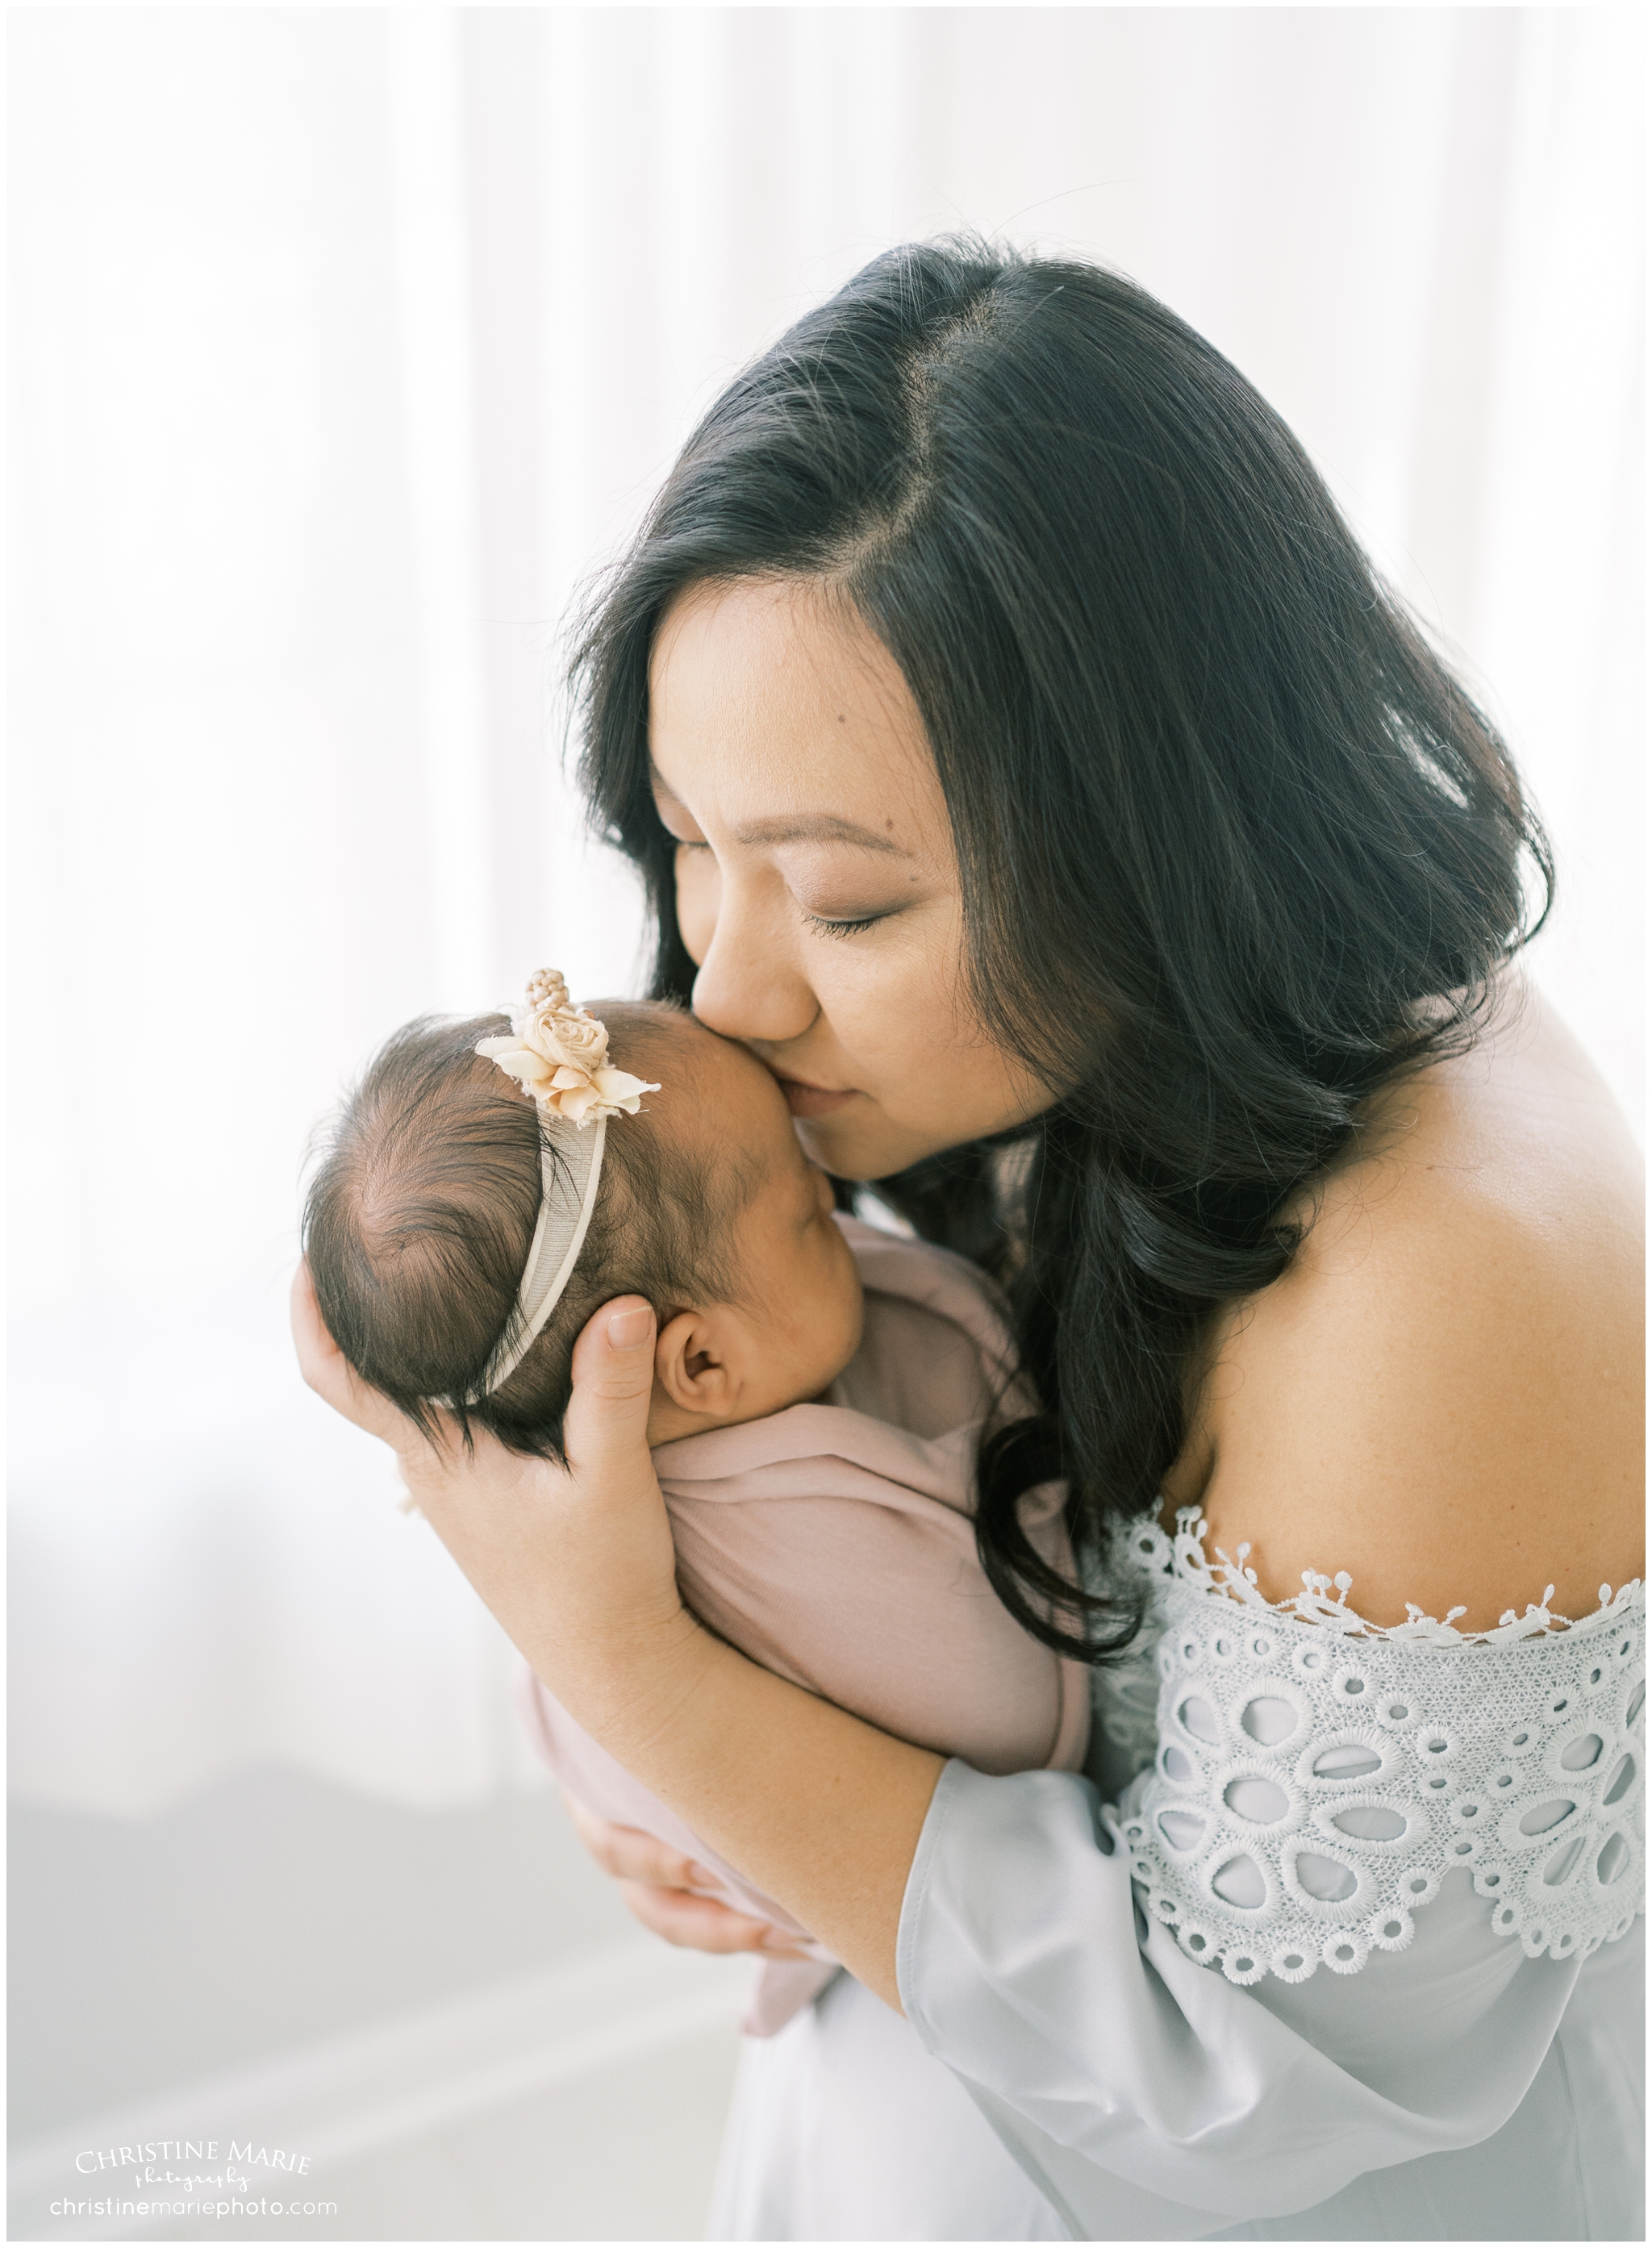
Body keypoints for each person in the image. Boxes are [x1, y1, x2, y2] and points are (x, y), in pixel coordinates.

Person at [292, 239, 1643, 2239]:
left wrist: (633, 1669)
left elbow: (1271, 2093)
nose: (731, 988)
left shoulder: (1438, 1289)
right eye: (684, 837)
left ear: (1160, 838)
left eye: (844, 905)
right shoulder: (1017, 1057)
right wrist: (678, 1762)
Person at [301, 977, 1089, 2038]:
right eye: (814, 1215)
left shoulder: (720, 1362)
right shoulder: (805, 1539)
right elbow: (1011, 1730)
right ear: (704, 1361)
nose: (837, 1204)